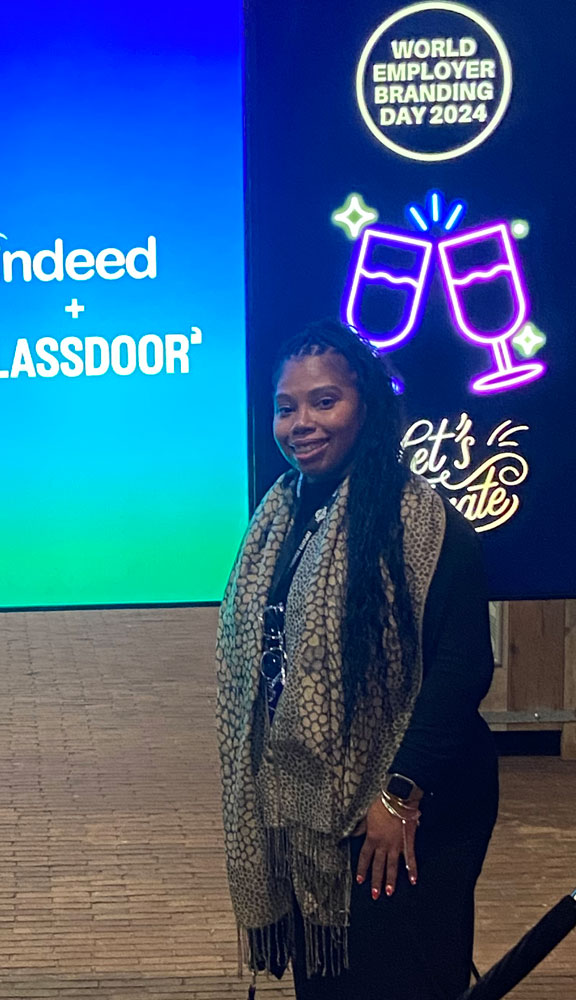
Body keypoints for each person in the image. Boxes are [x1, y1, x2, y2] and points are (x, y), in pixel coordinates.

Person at [216, 319, 497, 999]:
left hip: (412, 807)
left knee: (401, 981)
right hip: (313, 816)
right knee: (332, 982)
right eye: (287, 408)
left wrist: (398, 796)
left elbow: (462, 668)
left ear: (364, 405)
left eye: (324, 401)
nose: (301, 423)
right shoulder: (278, 516)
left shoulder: (419, 519)